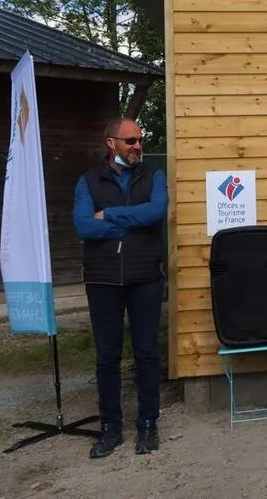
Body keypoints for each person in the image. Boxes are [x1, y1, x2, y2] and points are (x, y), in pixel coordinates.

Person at [72, 117, 168, 458]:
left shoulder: (153, 176)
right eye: (130, 141)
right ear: (111, 143)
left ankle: (148, 424)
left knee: (146, 353)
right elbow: (83, 226)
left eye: (140, 140)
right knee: (107, 356)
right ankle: (110, 428)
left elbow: (155, 213)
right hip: (103, 279)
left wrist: (109, 215)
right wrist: (128, 226)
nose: (138, 146)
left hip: (145, 276)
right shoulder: (88, 181)